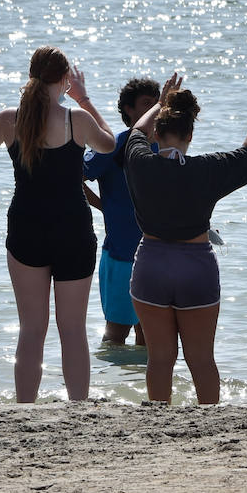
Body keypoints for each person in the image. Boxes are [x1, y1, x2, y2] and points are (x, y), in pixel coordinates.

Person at [0, 47, 116, 402]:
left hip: (27, 228)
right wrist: (84, 98)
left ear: (31, 75)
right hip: (73, 230)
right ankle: (78, 406)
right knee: (73, 329)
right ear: (63, 80)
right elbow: (108, 145)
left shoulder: (7, 119)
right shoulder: (77, 119)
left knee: (31, 329)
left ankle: (24, 410)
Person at [120, 76, 247, 404]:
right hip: (196, 267)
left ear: (158, 134)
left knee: (159, 359)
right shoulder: (207, 169)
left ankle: (159, 419)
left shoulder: (138, 161)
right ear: (191, 135)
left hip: (151, 266)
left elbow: (135, 132)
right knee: (201, 359)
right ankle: (209, 421)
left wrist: (161, 103)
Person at [83, 77, 160, 347]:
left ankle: (141, 390)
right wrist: (103, 206)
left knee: (148, 336)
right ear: (129, 110)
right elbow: (73, 175)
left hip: (157, 255)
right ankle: (107, 387)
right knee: (115, 334)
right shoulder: (114, 146)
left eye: (158, 103)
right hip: (120, 255)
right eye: (148, 104)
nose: (156, 110)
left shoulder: (163, 147)